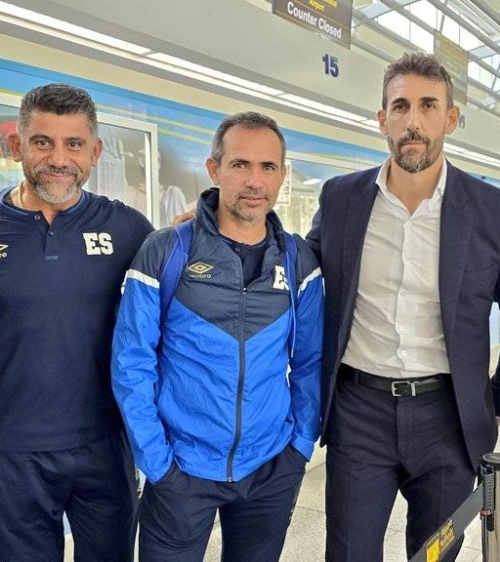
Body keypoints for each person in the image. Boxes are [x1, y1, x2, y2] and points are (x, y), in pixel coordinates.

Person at [306, 52, 500, 562]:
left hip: (449, 418)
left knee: (436, 555)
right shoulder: (342, 199)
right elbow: (299, 271)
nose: (413, 121)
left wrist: (498, 402)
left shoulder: (494, 211)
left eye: (428, 106)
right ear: (382, 119)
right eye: (400, 106)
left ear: (451, 119)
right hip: (358, 412)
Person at [0, 83, 154, 562]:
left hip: (106, 442)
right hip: (8, 449)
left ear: (93, 152)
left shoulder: (130, 229)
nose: (58, 158)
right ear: (17, 147)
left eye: (73, 144)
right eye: (42, 142)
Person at [112, 111, 323, 562]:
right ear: (215, 169)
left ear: (282, 176)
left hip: (270, 466)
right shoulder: (167, 250)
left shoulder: (298, 259)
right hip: (181, 470)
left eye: (268, 167)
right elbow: (132, 361)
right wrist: (158, 463)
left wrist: (299, 447)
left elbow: (311, 361)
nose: (254, 181)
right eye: (240, 165)